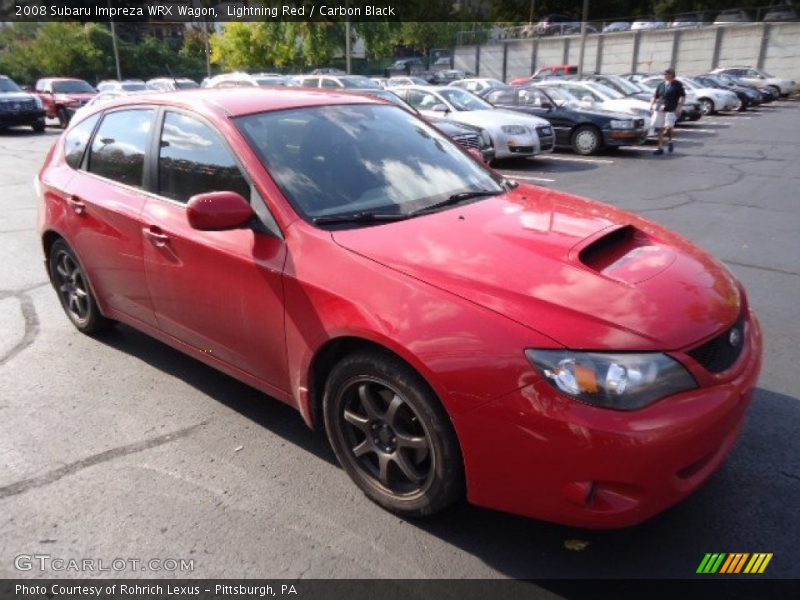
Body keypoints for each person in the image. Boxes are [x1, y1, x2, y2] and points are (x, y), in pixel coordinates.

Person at [650, 68, 686, 155]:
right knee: (660, 128)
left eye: (667, 74)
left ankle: (670, 140)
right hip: (661, 108)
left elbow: (683, 96)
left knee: (668, 126)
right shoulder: (661, 85)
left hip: (672, 108)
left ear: (672, 75)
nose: (665, 75)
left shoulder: (677, 84)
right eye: (665, 74)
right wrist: (652, 104)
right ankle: (660, 148)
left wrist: (679, 107)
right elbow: (655, 96)